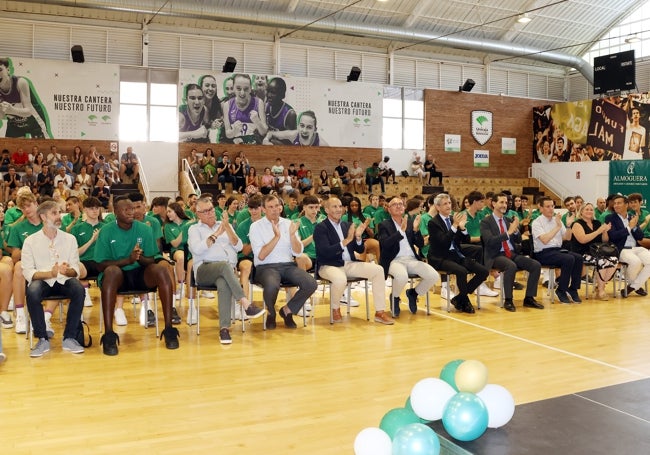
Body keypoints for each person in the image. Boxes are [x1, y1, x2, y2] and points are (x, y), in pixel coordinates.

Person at [94, 196, 180, 356]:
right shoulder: (106, 231)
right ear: (115, 212)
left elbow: (152, 259)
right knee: (111, 272)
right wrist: (128, 259)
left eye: (132, 209)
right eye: (126, 209)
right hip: (117, 277)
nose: (131, 212)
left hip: (140, 273)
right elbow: (99, 265)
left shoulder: (144, 229)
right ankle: (109, 335)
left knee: (161, 270)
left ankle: (169, 329)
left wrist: (139, 257)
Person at [188, 196, 265, 344]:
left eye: (211, 209)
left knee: (223, 282)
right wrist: (217, 233)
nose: (210, 213)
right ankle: (246, 303)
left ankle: (224, 329)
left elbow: (239, 246)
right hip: (204, 269)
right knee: (224, 266)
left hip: (226, 271)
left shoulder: (223, 225)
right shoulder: (194, 229)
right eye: (205, 211)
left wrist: (227, 228)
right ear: (198, 214)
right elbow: (197, 249)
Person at [314, 196, 394, 324]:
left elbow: (359, 248)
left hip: (349, 264)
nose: (338, 209)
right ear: (326, 210)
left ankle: (380, 312)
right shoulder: (321, 228)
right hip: (328, 265)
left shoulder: (347, 225)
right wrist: (344, 242)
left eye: (340, 206)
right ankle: (335, 309)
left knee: (378, 270)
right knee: (340, 279)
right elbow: (324, 252)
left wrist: (357, 238)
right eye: (334, 206)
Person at [22, 200, 86, 357]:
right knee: (33, 291)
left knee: (78, 289)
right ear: (43, 217)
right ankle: (42, 338)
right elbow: (28, 272)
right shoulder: (30, 241)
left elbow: (76, 269)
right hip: (42, 280)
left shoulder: (70, 239)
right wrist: (50, 273)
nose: (59, 217)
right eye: (54, 213)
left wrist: (68, 271)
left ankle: (70, 337)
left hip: (64, 279)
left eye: (59, 213)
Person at [249, 195, 317, 329]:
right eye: (270, 207)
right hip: (265, 267)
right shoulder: (256, 227)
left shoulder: (288, 224)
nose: (275, 210)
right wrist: (277, 236)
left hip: (288, 266)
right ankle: (271, 313)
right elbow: (261, 255)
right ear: (263, 209)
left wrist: (292, 236)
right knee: (272, 285)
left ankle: (287, 310)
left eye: (277, 206)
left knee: (311, 283)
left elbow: (297, 252)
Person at [427, 193, 489, 314]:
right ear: (438, 207)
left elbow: (465, 240)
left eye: (449, 203)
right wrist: (455, 226)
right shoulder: (433, 223)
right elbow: (444, 242)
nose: (448, 206)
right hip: (440, 257)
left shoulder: (452, 219)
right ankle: (465, 301)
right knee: (461, 271)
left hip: (455, 254)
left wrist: (463, 228)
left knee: (483, 272)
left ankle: (459, 298)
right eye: (445, 203)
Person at [480, 193, 543, 312]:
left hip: (511, 253)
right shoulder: (486, 222)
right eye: (501, 202)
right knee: (511, 266)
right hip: (495, 255)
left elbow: (518, 240)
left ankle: (529, 298)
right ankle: (508, 300)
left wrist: (515, 232)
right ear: (493, 204)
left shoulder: (508, 220)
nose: (505, 205)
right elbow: (489, 241)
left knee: (535, 265)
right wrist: (508, 233)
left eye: (506, 203)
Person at [378, 197, 440, 317]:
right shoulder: (384, 225)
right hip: (394, 260)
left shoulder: (411, 223)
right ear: (389, 210)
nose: (398, 206)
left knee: (433, 276)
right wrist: (400, 233)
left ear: (404, 207)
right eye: (394, 204)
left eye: (400, 204)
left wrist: (416, 230)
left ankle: (413, 293)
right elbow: (385, 244)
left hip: (411, 259)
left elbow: (421, 244)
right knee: (402, 277)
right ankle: (395, 297)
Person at [531, 196, 583, 304]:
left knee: (578, 258)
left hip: (557, 250)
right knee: (568, 259)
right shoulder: (537, 222)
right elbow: (544, 240)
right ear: (540, 208)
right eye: (547, 206)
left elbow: (567, 238)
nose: (551, 209)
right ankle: (561, 290)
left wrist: (568, 226)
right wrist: (558, 227)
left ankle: (573, 289)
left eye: (552, 206)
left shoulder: (556, 220)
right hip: (542, 253)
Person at [606, 194, 650, 298]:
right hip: (621, 248)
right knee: (636, 262)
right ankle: (636, 286)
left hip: (635, 247)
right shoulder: (610, 218)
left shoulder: (632, 217)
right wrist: (629, 228)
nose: (616, 205)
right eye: (615, 203)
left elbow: (640, 236)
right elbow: (613, 236)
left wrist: (634, 227)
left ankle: (632, 286)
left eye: (619, 203)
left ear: (626, 205)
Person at [571, 203, 615, 300]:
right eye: (587, 209)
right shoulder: (577, 224)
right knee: (602, 261)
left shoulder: (597, 223)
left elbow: (605, 241)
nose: (589, 211)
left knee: (614, 260)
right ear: (581, 211)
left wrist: (604, 231)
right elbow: (582, 240)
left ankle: (600, 286)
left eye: (591, 209)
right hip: (582, 252)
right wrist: (598, 231)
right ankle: (601, 290)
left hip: (596, 251)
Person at [0, 57, 51, 138]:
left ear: (8, 70)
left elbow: (28, 111)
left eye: (0, 70)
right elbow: (2, 116)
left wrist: (11, 110)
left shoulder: (20, 83)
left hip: (33, 121)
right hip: (14, 124)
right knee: (10, 149)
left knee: (43, 148)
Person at [222, 73, 268, 144]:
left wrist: (257, 122)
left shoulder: (259, 102)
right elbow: (228, 134)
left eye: (246, 89)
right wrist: (234, 131)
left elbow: (264, 132)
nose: (242, 93)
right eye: (238, 88)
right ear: (233, 88)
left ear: (250, 89)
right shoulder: (227, 105)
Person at [264, 77, 297, 144]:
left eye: (273, 92)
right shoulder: (267, 106)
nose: (269, 95)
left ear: (282, 95)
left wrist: (272, 142)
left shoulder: (290, 114)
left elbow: (291, 143)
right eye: (268, 91)